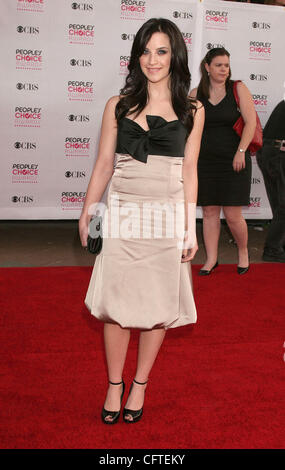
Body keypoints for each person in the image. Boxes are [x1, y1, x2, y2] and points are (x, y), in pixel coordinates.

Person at [79, 18, 204, 424]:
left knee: (155, 307)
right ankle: (114, 383)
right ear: (136, 56)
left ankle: (140, 384)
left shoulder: (193, 109)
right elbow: (102, 165)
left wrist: (190, 228)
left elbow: (190, 171)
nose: (153, 59)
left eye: (162, 51)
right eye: (146, 51)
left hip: (166, 219)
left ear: (176, 56)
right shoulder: (117, 104)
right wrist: (88, 212)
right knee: (115, 307)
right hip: (122, 215)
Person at [190, 48, 256, 275]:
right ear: (207, 67)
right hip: (205, 162)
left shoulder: (238, 88)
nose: (224, 69)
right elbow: (188, 128)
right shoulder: (195, 93)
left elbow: (250, 123)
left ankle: (243, 252)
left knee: (232, 215)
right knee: (209, 212)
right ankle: (211, 259)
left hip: (234, 160)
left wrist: (240, 151)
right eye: (218, 65)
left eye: (226, 65)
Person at [256, 100, 285, 262]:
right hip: (279, 153)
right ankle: (273, 249)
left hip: (269, 152)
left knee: (279, 204)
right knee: (283, 205)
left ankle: (278, 245)